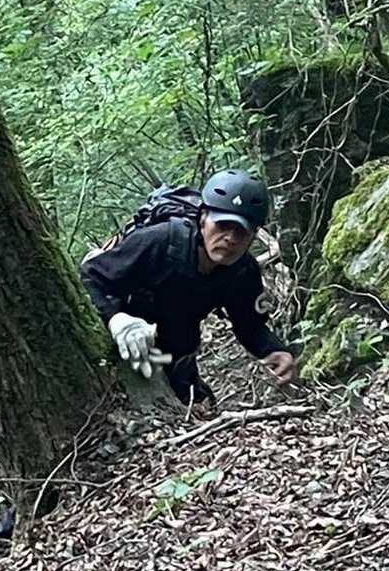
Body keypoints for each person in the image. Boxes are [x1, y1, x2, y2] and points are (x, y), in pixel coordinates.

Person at [80, 169, 295, 411]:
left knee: (196, 406)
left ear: (254, 235)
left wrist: (274, 350)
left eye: (241, 231)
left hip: (178, 341)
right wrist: (116, 318)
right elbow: (91, 275)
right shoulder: (160, 241)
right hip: (124, 331)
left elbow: (250, 325)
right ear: (203, 218)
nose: (230, 238)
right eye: (222, 225)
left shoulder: (243, 271)